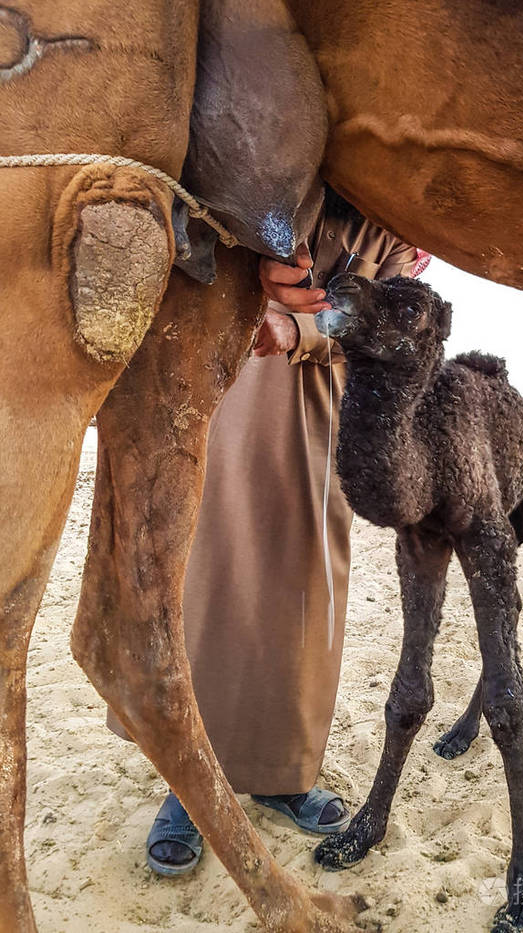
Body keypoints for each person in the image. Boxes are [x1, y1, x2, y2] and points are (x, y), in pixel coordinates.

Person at [107, 187, 427, 875]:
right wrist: (254, 288)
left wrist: (300, 329)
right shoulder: (268, 175)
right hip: (226, 392)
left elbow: (394, 318)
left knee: (303, 597)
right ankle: (187, 785)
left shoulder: (397, 218)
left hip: (321, 418)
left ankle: (286, 772)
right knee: (209, 583)